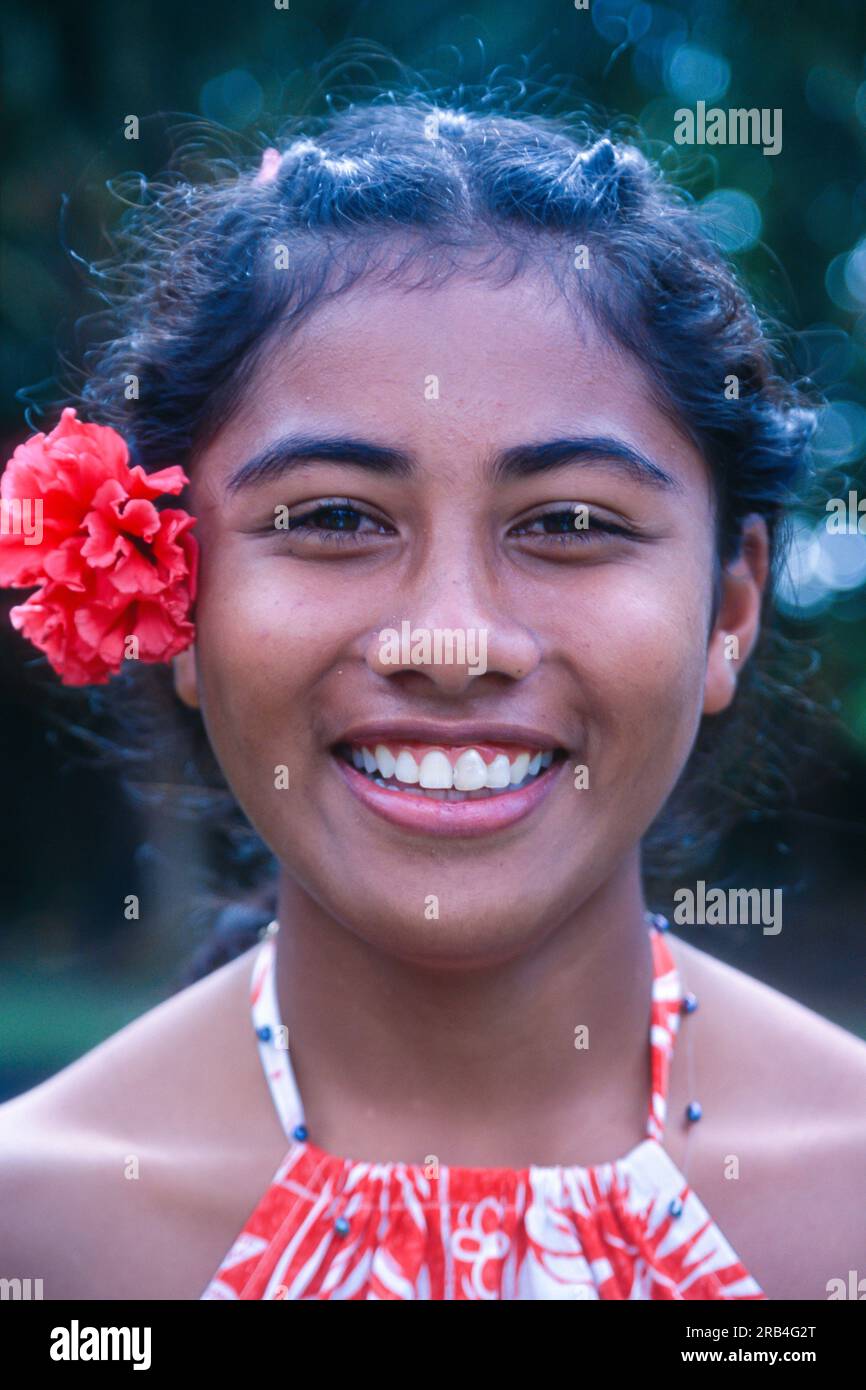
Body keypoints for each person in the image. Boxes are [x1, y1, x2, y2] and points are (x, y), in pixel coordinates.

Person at [1, 92, 865, 1301]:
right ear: (171, 590)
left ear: (728, 611)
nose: (451, 642)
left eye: (568, 523)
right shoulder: (34, 1237)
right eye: (334, 519)